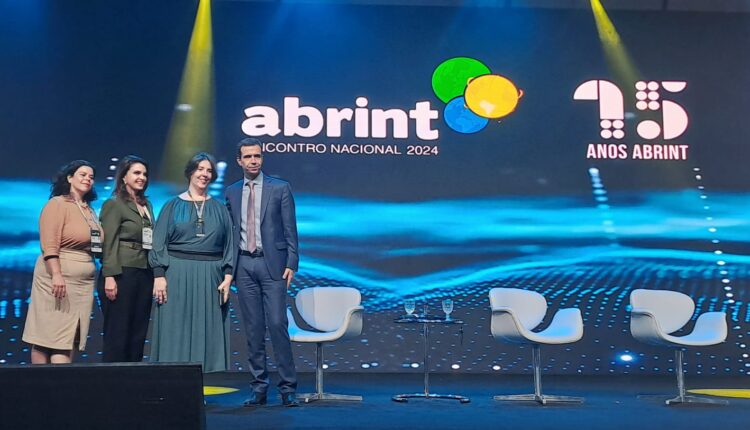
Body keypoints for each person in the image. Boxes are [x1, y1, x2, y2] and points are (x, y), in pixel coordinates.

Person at [225, 137, 299, 407]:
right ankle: (259, 388)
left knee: (278, 324)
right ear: (239, 161)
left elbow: (290, 228)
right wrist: (229, 269)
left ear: (262, 158)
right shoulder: (232, 192)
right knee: (253, 328)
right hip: (244, 265)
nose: (253, 161)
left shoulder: (279, 188)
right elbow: (231, 232)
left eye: (257, 156)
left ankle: (288, 388)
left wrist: (292, 262)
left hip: (273, 264)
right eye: (248, 156)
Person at [148, 152, 233, 372]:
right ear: (190, 172)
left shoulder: (220, 209)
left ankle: (203, 381)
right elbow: (158, 242)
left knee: (207, 329)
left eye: (209, 171)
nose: (204, 174)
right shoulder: (172, 206)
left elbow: (229, 245)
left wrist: (228, 276)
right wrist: (159, 276)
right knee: (175, 327)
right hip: (176, 273)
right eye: (200, 169)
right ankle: (172, 380)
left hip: (211, 276)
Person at [22, 160, 101, 363]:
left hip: (82, 284)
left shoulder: (89, 210)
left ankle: (60, 381)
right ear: (69, 178)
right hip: (57, 278)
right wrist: (56, 275)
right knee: (47, 336)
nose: (88, 179)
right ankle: (43, 381)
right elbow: (49, 244)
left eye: (91, 177)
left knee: (69, 338)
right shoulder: (57, 204)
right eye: (83, 174)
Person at [98, 155, 154, 362]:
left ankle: (133, 377)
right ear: (123, 177)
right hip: (122, 272)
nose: (142, 177)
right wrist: (109, 276)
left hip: (144, 271)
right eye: (136, 173)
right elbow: (109, 242)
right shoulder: (114, 204)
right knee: (118, 331)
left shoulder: (146, 205)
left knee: (138, 331)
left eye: (144, 174)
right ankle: (112, 379)